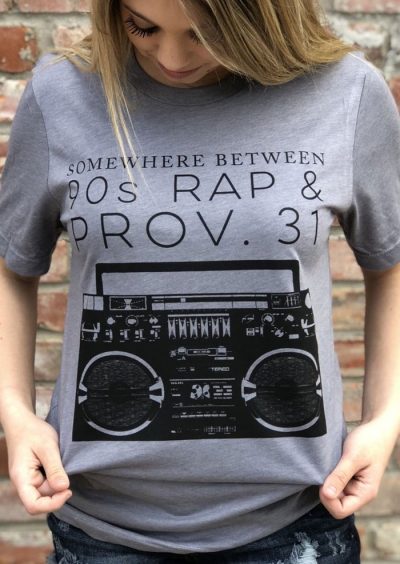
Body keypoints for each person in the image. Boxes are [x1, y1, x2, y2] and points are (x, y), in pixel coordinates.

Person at [0, 0, 399, 562]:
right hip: (100, 523)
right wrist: (16, 415)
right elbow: (12, 265)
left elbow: (390, 262)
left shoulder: (345, 92)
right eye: (143, 27)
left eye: (205, 33)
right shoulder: (61, 94)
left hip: (295, 516)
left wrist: (385, 420)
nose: (171, 56)